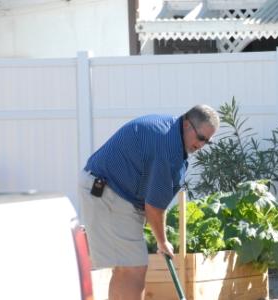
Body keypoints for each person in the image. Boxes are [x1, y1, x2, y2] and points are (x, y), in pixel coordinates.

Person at [78, 104, 219, 300]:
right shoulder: (167, 148)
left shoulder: (171, 133)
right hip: (108, 192)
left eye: (207, 142)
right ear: (187, 124)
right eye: (201, 138)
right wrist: (163, 242)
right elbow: (153, 207)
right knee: (133, 268)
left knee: (126, 267)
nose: (201, 145)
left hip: (111, 190)